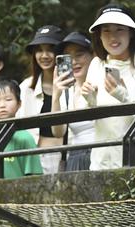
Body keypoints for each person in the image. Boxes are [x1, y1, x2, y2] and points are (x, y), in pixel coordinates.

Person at [76, 4, 135, 169]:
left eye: (120, 29)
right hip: (101, 163)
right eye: (106, 30)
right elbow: (84, 114)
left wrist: (124, 96)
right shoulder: (96, 65)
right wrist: (90, 99)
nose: (113, 37)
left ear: (131, 33)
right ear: (99, 36)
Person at [0, 79, 43, 180]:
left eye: (8, 99)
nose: (2, 105)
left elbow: (34, 175)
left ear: (19, 104)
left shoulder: (25, 138)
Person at [20, 25, 67, 174]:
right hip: (35, 159)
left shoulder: (73, 85)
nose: (44, 55)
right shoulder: (26, 88)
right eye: (39, 50)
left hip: (69, 156)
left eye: (50, 49)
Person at [50, 32, 99, 172]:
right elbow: (58, 132)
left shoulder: (101, 82)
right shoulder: (67, 91)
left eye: (79, 55)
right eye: (68, 57)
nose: (74, 62)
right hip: (75, 157)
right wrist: (56, 95)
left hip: (102, 152)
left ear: (93, 55)